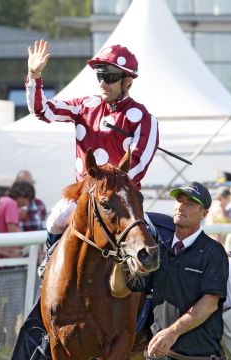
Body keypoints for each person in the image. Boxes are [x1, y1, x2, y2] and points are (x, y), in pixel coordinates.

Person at [26, 39, 159, 277]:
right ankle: (49, 264)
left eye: (110, 77)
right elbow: (42, 110)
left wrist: (109, 188)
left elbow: (138, 164)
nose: (103, 83)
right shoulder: (84, 106)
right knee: (56, 219)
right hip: (84, 195)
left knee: (150, 237)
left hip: (123, 201)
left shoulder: (144, 118)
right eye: (100, 76)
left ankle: (153, 297)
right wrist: (34, 76)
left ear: (127, 81)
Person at [110, 181, 229, 359]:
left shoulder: (213, 252)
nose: (181, 207)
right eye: (179, 201)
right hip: (158, 355)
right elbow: (120, 290)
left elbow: (210, 303)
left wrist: (172, 333)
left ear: (204, 213)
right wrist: (120, 259)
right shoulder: (160, 251)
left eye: (190, 204)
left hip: (197, 357)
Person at [0, 181, 34, 258]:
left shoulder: (3, 200)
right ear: (21, 194)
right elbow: (14, 235)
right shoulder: (12, 204)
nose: (27, 204)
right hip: (6, 258)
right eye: (27, 199)